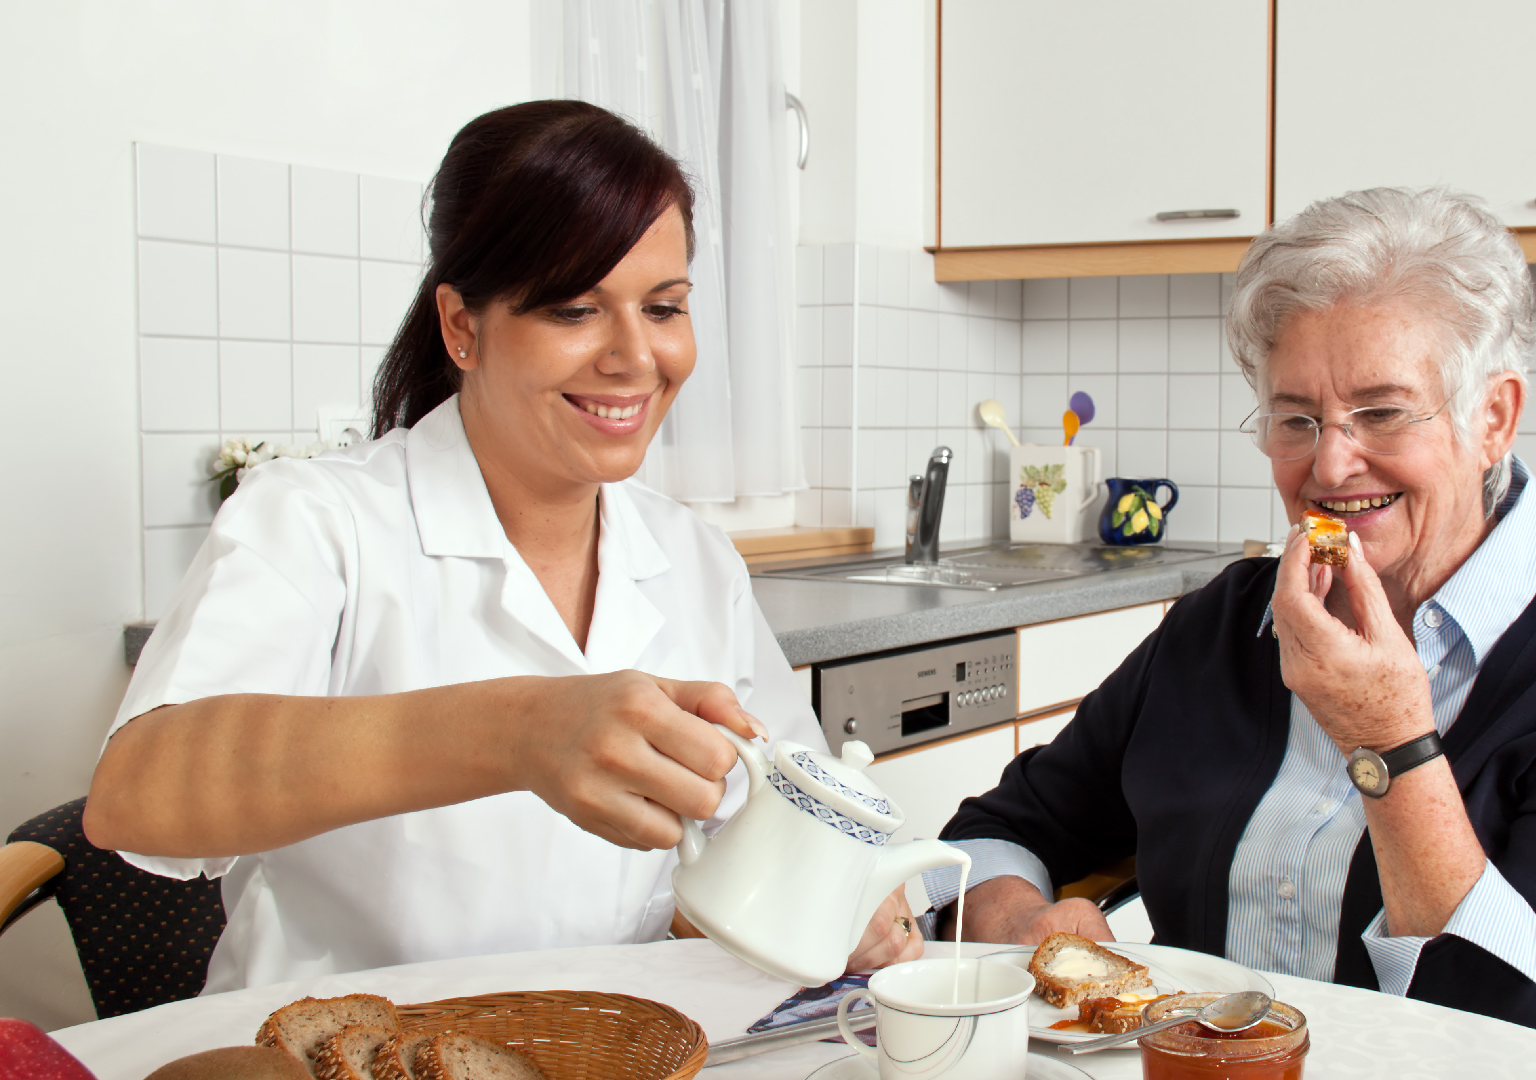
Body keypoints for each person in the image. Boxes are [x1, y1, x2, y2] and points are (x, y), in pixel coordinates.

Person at [85, 101, 921, 992]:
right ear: (462, 328)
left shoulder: (694, 560)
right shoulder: (319, 521)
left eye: (664, 307)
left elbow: (779, 813)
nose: (636, 358)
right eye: (574, 309)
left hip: (613, 1043)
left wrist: (847, 896)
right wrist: (521, 730)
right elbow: (139, 792)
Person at [927, 188, 1536, 1059]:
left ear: (1492, 418)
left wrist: (1390, 738)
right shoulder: (1222, 626)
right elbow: (993, 833)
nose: (1332, 463)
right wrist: (1024, 928)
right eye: (1296, 419)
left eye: (1380, 412)